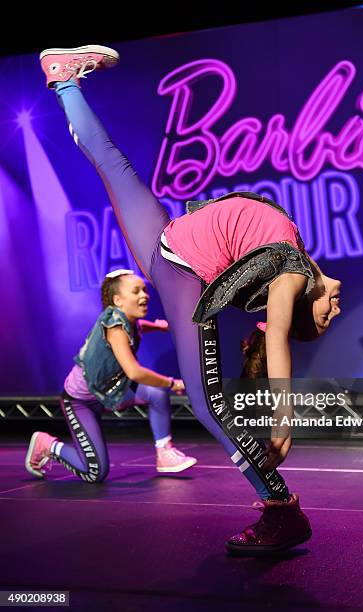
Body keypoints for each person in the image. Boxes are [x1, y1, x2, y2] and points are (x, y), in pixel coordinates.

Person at [38, 45, 342, 555]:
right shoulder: (296, 251)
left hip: (179, 272)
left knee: (204, 403)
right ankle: (64, 79)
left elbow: (280, 341)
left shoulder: (291, 272)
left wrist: (284, 418)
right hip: (166, 238)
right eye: (330, 313)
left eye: (325, 318)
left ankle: (281, 510)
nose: (333, 309)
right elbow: (276, 333)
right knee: (109, 161)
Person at [25, 269, 196, 483]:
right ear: (118, 300)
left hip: (110, 391)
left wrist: (160, 327)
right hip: (81, 402)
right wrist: (172, 383)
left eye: (144, 290)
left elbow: (140, 326)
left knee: (156, 393)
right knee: (95, 472)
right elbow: (134, 372)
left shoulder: (128, 320)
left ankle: (164, 453)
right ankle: (47, 444)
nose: (145, 295)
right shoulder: (115, 326)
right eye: (136, 291)